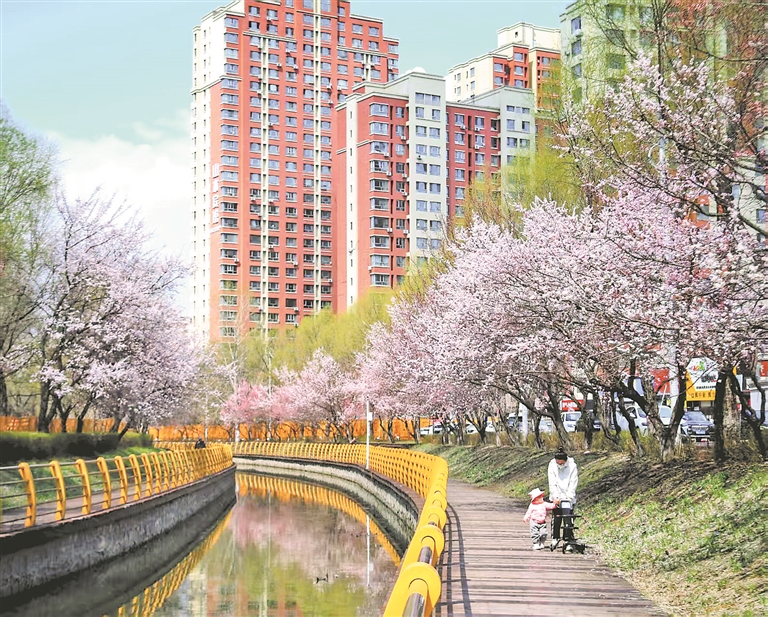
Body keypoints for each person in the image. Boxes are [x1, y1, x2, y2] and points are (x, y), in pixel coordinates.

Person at [548, 446, 578, 551]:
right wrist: (555, 496)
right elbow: (552, 482)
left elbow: (573, 482)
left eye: (562, 463)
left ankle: (568, 539)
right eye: (558, 463)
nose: (560, 465)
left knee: (568, 519)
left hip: (568, 497)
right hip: (557, 496)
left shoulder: (572, 466)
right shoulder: (552, 465)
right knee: (556, 518)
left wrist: (569, 496)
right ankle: (555, 537)